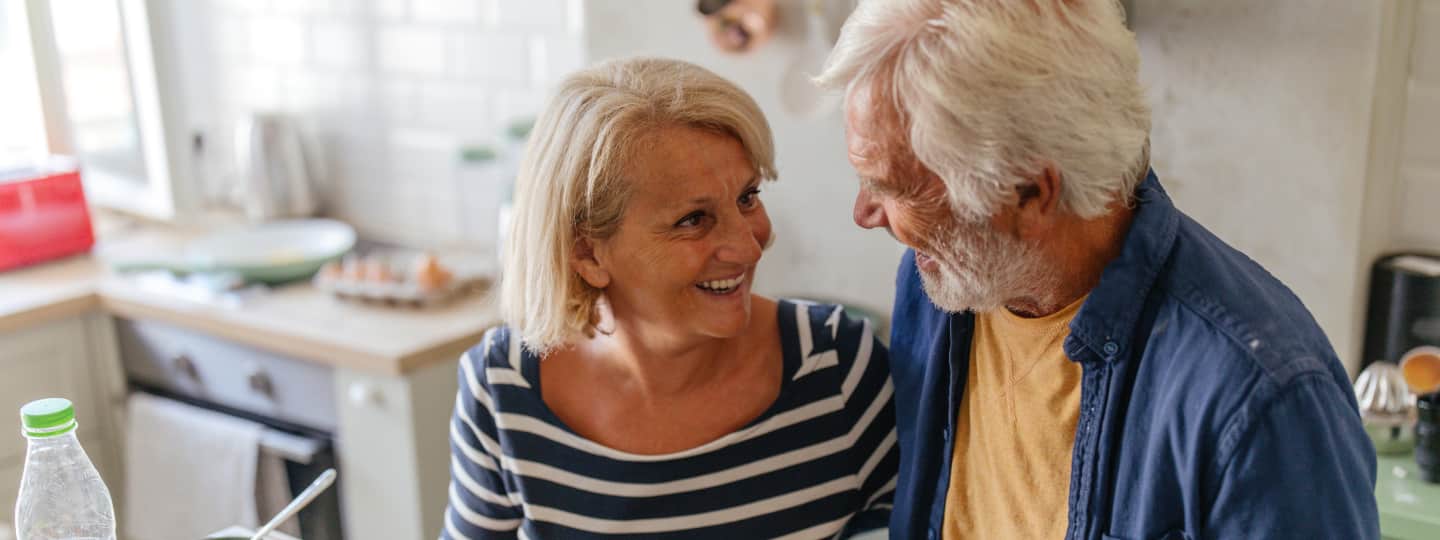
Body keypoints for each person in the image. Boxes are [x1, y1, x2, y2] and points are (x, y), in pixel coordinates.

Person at [813, 1, 1379, 539]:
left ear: (1032, 193)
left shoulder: (1263, 401)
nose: (864, 214)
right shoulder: (937, 285)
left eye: (892, 188)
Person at [440, 57, 897, 539]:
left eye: (747, 197)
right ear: (586, 253)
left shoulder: (838, 367)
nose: (749, 245)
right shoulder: (503, 390)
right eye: (693, 219)